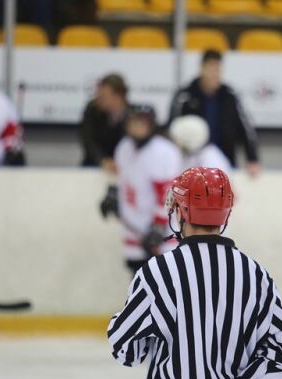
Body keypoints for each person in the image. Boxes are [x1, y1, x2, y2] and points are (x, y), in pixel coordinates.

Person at [108, 167, 282, 379]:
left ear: (180, 211)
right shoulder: (255, 273)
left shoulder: (159, 272)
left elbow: (125, 349)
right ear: (226, 214)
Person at [99, 104, 182, 272]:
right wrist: (113, 194)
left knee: (166, 285)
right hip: (134, 229)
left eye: (141, 123)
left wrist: (158, 228)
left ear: (151, 125)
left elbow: (168, 194)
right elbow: (123, 180)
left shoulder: (164, 151)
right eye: (133, 122)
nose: (136, 127)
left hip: (161, 233)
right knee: (137, 284)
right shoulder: (124, 147)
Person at [168, 50, 260, 177]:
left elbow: (245, 129)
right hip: (191, 163)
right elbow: (172, 127)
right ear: (202, 68)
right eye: (211, 69)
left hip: (225, 161)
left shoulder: (229, 95)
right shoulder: (185, 95)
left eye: (218, 69)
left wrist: (252, 158)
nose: (214, 74)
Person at [80, 73, 129, 171]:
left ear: (118, 96)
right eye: (98, 94)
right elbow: (88, 139)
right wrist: (102, 160)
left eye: (103, 96)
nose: (98, 99)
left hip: (125, 168)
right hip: (94, 165)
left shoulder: (133, 116)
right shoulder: (92, 110)